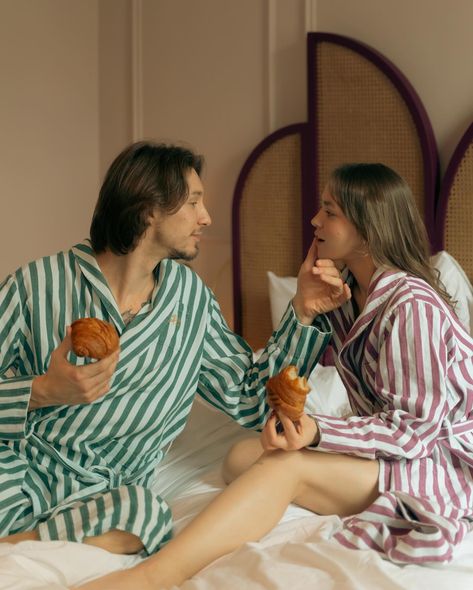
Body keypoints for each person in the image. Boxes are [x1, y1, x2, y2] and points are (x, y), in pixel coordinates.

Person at [77, 162, 473, 590]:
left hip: (440, 463)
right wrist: (304, 304)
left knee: (285, 469)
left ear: (368, 228)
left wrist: (317, 432)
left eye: (330, 211)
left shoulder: (411, 305)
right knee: (241, 458)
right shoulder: (349, 297)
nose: (315, 220)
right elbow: (274, 385)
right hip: (394, 453)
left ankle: (155, 574)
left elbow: (413, 432)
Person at [0, 140, 341, 557]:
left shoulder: (192, 300)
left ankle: (18, 546)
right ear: (149, 209)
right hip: (17, 469)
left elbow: (251, 400)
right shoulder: (36, 285)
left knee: (149, 516)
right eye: (194, 202)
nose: (206, 218)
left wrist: (302, 311)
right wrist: (43, 391)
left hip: (108, 496)